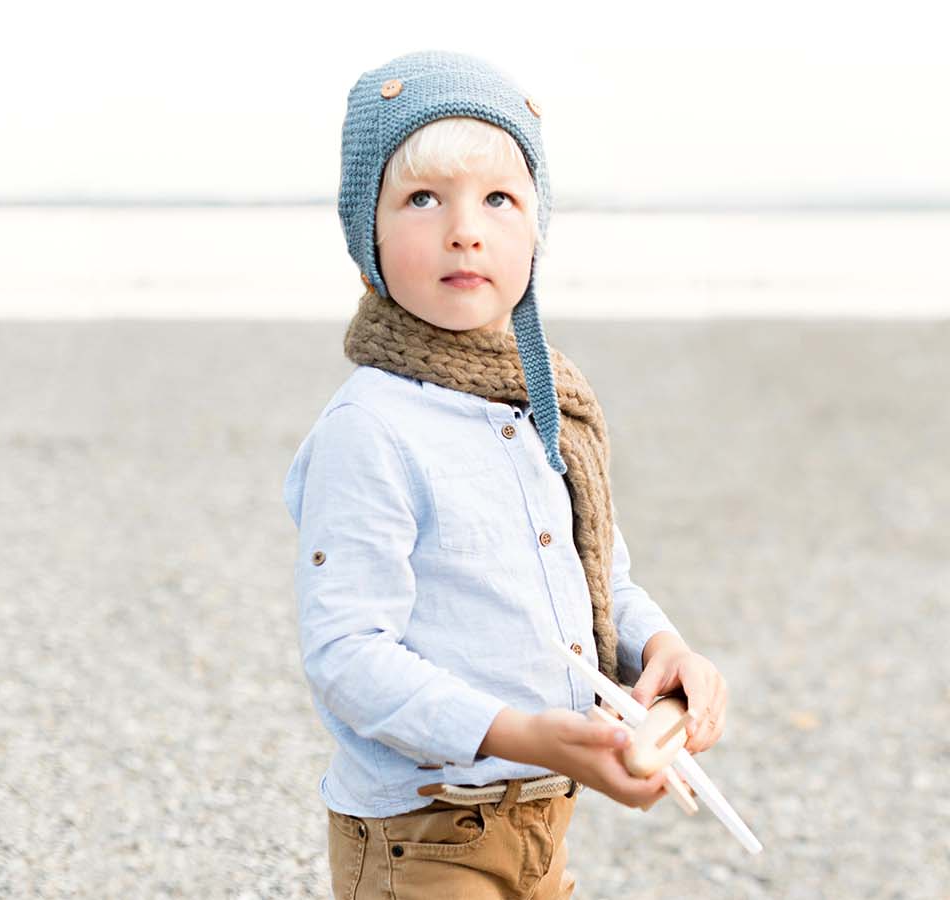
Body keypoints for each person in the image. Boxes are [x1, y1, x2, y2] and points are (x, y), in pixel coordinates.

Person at [282, 50, 731, 899]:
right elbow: (347, 655)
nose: (465, 228)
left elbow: (599, 576)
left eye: (499, 199)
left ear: (536, 229)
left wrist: (664, 648)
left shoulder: (537, 403)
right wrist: (524, 732)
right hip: (424, 830)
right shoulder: (370, 428)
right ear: (366, 233)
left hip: (542, 814)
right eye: (422, 198)